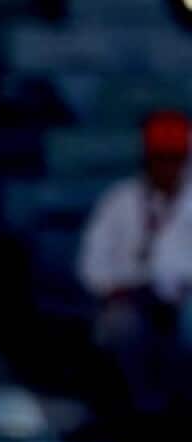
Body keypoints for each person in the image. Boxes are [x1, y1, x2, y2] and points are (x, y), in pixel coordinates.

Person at [78, 109, 192, 418]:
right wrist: (123, 285)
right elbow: (92, 265)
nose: (167, 168)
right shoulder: (119, 202)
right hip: (132, 300)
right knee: (120, 326)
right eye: (161, 159)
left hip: (182, 303)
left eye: (175, 159)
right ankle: (142, 411)